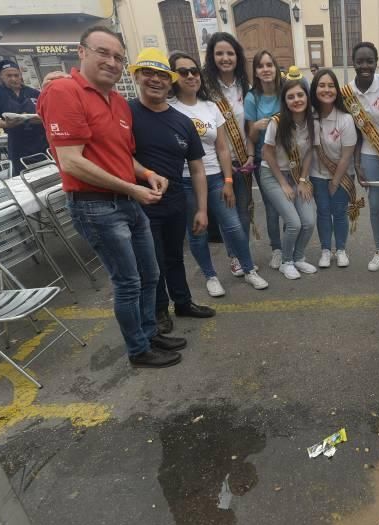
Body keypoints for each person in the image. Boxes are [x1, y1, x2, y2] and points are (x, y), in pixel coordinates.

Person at [38, 26, 184, 368]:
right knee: (128, 281)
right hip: (95, 206)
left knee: (149, 274)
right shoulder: (63, 90)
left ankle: (150, 334)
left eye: (118, 57)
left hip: (127, 201)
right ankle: (138, 349)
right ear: (82, 52)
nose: (112, 62)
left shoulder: (117, 101)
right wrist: (132, 187)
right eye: (103, 52)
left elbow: (122, 157)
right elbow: (71, 161)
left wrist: (146, 174)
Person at [127, 48, 215, 335]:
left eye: (162, 76)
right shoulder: (125, 114)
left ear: (171, 81)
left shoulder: (182, 121)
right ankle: (159, 310)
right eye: (148, 73)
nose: (155, 80)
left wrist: (201, 209)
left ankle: (183, 301)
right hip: (139, 202)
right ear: (138, 76)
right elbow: (114, 154)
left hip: (176, 200)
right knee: (151, 263)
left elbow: (198, 168)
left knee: (175, 256)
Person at [168, 51, 268, 298]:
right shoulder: (168, 108)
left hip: (215, 177)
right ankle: (210, 276)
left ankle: (248, 269)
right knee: (197, 232)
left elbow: (222, 147)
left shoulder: (211, 106)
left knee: (233, 225)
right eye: (183, 72)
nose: (191, 76)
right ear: (173, 76)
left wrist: (228, 180)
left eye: (194, 71)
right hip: (184, 180)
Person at [340, 41, 379, 274]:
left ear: (376, 62)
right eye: (360, 61)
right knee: (375, 206)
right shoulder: (347, 93)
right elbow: (352, 130)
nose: (365, 65)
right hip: (368, 153)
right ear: (353, 63)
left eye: (369, 61)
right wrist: (356, 163)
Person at [202, 32, 256, 279]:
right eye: (220, 53)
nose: (225, 58)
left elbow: (249, 123)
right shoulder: (205, 87)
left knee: (244, 211)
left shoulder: (245, 85)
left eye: (230, 53)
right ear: (212, 57)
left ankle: (242, 253)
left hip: (243, 158)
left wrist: (251, 154)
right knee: (228, 214)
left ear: (237, 57)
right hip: (217, 161)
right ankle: (234, 257)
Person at [260, 79, 317, 280]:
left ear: (307, 97)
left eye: (300, 95)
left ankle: (299, 257)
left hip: (297, 175)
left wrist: (303, 180)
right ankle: (286, 261)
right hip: (273, 174)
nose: (296, 100)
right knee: (294, 223)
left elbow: (310, 152)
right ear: (285, 101)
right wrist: (283, 183)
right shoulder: (277, 122)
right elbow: (266, 153)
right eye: (290, 96)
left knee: (309, 222)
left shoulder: (312, 121)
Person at [309, 69, 359, 268]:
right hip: (317, 175)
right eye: (322, 85)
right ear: (314, 89)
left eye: (331, 86)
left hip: (342, 174)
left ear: (337, 90)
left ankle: (340, 250)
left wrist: (336, 180)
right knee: (322, 212)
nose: (326, 90)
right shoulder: (308, 117)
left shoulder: (345, 119)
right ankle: (325, 250)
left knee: (339, 212)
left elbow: (347, 155)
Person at [245, 50, 283, 270]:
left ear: (276, 68)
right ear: (256, 72)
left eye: (270, 64)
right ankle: (276, 249)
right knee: (271, 208)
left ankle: (291, 247)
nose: (266, 69)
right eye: (261, 66)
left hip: (289, 160)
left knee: (292, 204)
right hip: (265, 162)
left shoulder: (285, 91)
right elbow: (250, 136)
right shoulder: (252, 97)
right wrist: (257, 127)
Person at [0, 60, 48, 175]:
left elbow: (47, 113)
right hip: (17, 142)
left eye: (16, 75)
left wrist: (40, 119)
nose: (13, 78)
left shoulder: (33, 92)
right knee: (23, 174)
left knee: (48, 169)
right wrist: (6, 124)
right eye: (9, 76)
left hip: (41, 139)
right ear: (1, 76)